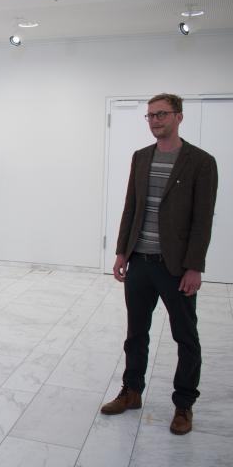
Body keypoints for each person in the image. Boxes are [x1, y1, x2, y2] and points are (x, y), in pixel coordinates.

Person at [101, 94, 218, 436]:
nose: (154, 120)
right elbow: (131, 207)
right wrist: (122, 252)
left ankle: (184, 404)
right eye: (150, 115)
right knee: (136, 333)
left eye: (161, 114)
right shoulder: (141, 158)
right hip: (140, 261)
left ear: (178, 117)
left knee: (186, 336)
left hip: (176, 266)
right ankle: (132, 390)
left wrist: (194, 266)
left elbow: (202, 219)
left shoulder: (200, 162)